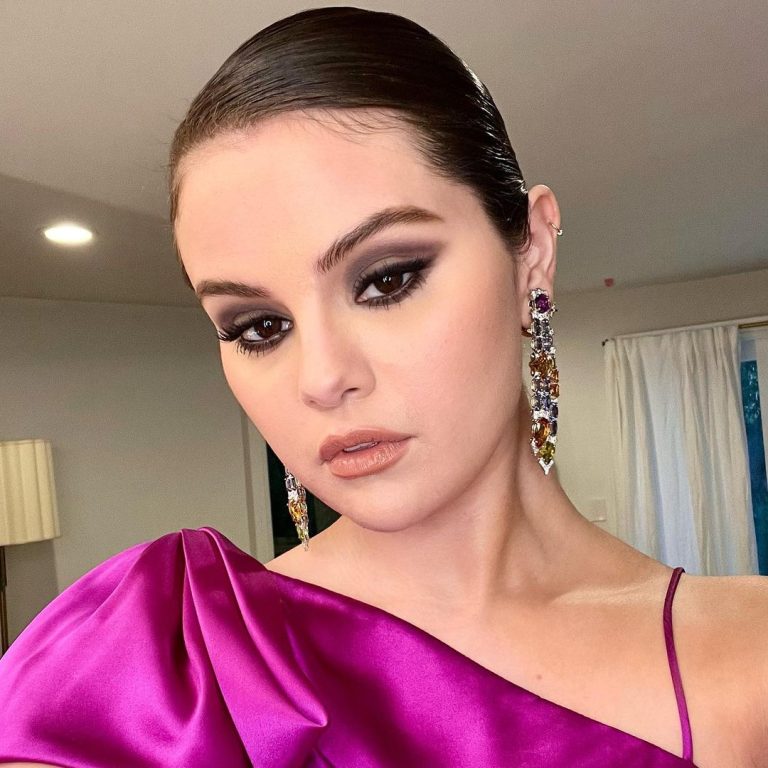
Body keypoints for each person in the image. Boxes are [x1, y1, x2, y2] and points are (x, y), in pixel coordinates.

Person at [1, 7, 766, 767]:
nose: (322, 379)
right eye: (259, 326)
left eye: (387, 279)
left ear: (531, 252)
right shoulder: (168, 672)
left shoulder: (747, 654)